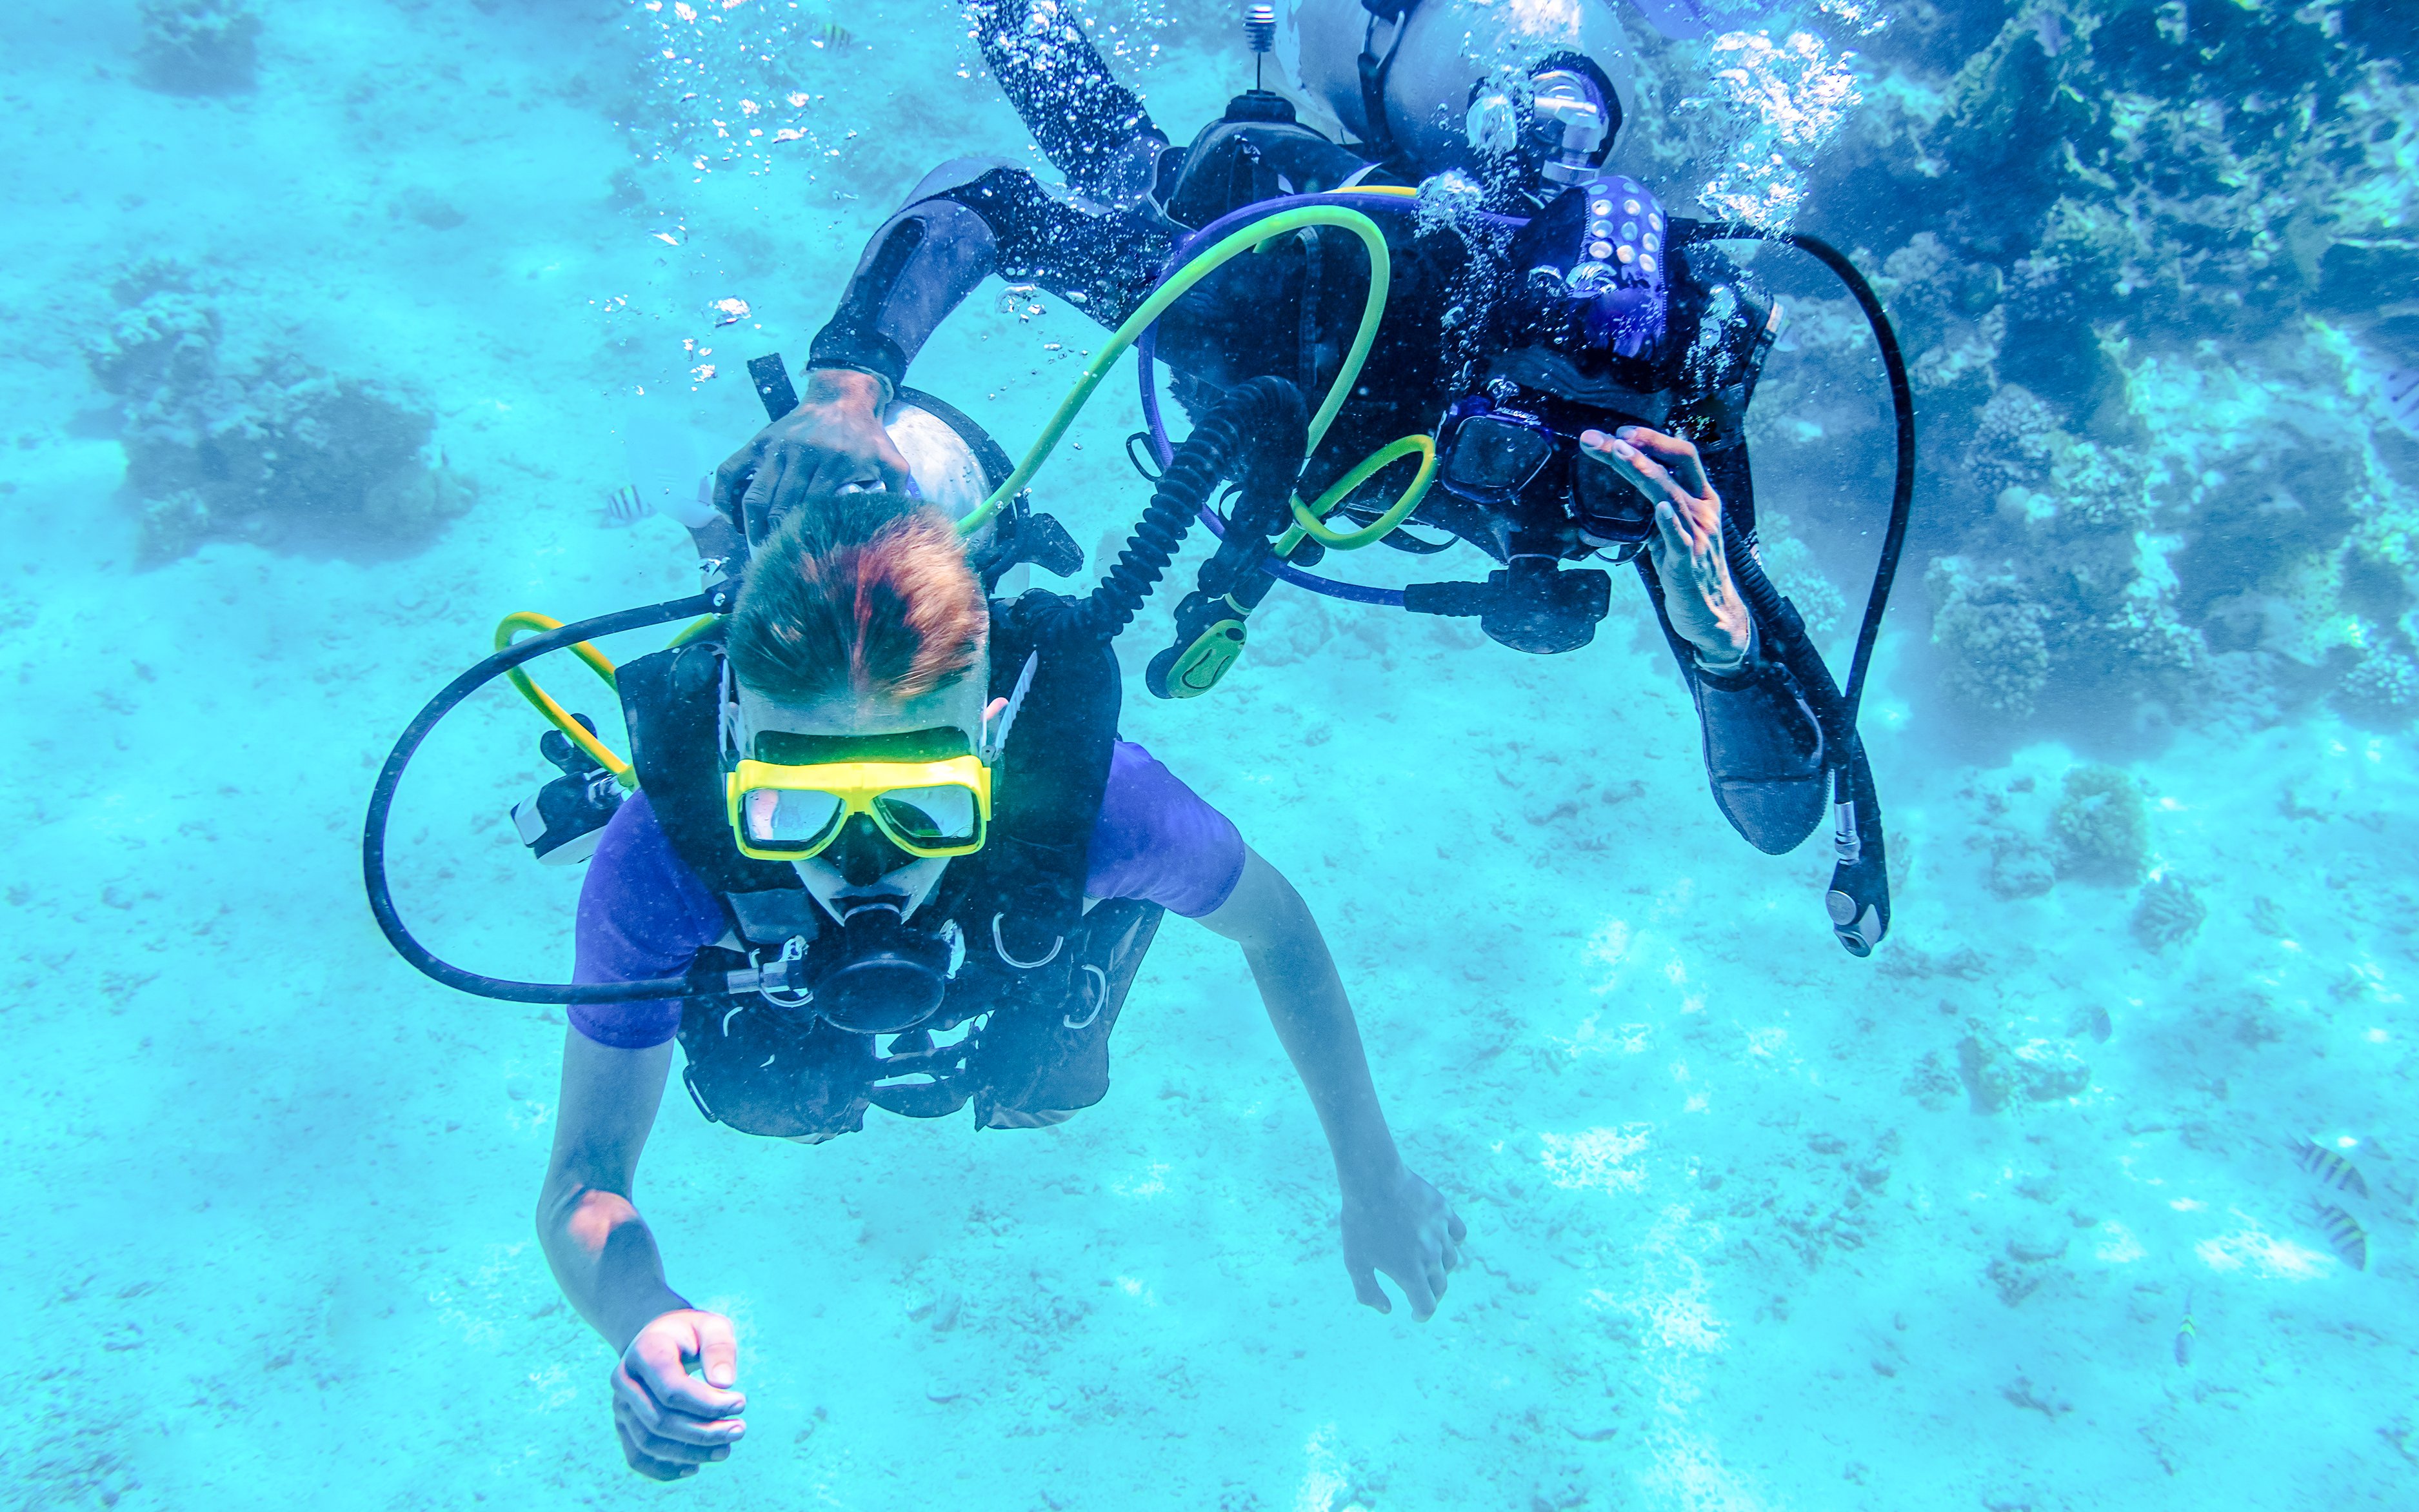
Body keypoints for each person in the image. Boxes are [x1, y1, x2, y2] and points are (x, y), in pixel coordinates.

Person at [721, 0, 1840, 866]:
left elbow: (1785, 819)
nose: (1535, 510)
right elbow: (993, 202)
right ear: (1458, 372)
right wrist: (847, 389)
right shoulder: (1298, 305)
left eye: (1596, 483)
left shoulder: (1660, 428)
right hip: (1294, 284)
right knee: (1128, 171)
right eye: (1499, 450)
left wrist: (1725, 654)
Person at [536, 486, 1465, 1481]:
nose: (865, 870)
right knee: (771, 1098)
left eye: (924, 808)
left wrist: (1372, 1175)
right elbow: (584, 1170)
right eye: (795, 812)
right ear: (731, 749)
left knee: (1049, 1086)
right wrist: (639, 1309)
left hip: (1022, 891)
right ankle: (725, 538)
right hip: (753, 918)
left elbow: (1276, 930)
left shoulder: (1106, 809)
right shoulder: (657, 860)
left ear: (991, 740)